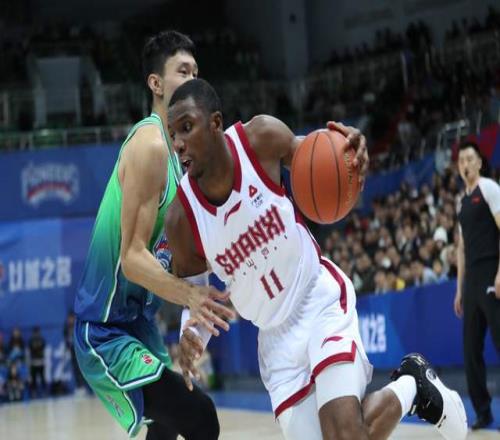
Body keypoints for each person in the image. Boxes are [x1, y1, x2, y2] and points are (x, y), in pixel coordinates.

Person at [165, 78, 467, 440]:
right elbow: (196, 298)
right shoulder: (181, 219)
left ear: (215, 123)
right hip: (274, 339)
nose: (178, 143)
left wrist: (350, 153)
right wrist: (189, 335)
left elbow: (322, 158)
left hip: (316, 300)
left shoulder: (259, 139)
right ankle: (413, 386)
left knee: (344, 434)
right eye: (173, 134)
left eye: (187, 127)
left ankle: (412, 388)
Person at [73, 31, 234, 439]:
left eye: (196, 72)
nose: (193, 79)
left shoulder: (182, 158)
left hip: (139, 325)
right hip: (105, 330)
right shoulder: (151, 145)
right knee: (201, 417)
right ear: (156, 83)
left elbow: (180, 258)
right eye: (183, 71)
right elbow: (132, 259)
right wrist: (191, 296)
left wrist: (193, 325)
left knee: (166, 426)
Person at [455, 141, 500, 430]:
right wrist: (459, 289)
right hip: (471, 280)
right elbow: (461, 249)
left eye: (470, 159)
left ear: (480, 162)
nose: (466, 164)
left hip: (491, 272)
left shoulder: (489, 188)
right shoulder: (461, 201)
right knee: (471, 350)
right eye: (461, 160)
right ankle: (483, 412)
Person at [28, 326, 46, 397]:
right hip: (33, 362)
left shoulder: (42, 340)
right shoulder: (31, 341)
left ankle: (44, 391)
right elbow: (31, 350)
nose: (36, 334)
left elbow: (42, 348)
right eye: (35, 333)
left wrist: (37, 348)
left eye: (37, 333)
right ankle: (34, 392)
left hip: (40, 362)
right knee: (34, 379)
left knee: (42, 378)